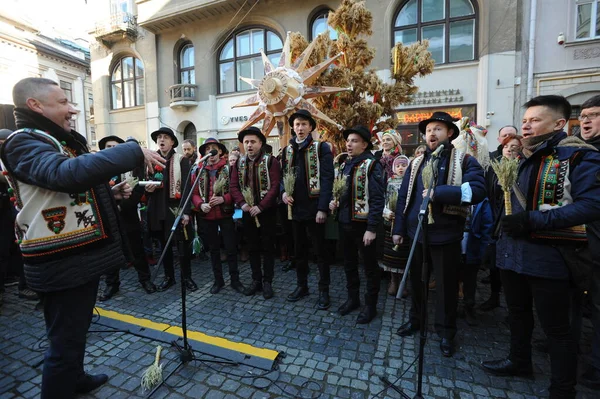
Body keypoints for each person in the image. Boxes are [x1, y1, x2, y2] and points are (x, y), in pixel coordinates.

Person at [0, 77, 164, 398]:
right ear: (35, 105)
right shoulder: (23, 140)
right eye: (62, 102)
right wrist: (133, 149)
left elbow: (62, 189)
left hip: (75, 259)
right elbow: (65, 175)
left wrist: (108, 193)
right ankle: (63, 383)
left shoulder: (52, 139)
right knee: (64, 343)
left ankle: (75, 378)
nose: (73, 109)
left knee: (74, 332)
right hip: (60, 262)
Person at [480, 95, 600, 399]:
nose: (526, 126)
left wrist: (532, 220)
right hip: (512, 254)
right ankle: (519, 361)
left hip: (552, 257)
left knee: (558, 330)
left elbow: (591, 205)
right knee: (518, 314)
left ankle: (563, 389)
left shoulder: (578, 156)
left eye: (534, 120)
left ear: (559, 123)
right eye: (524, 121)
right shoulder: (520, 157)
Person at [393, 111, 486, 357]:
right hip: (417, 234)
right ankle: (416, 320)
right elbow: (405, 197)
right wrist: (399, 229)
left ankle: (446, 332)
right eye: (429, 130)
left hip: (446, 237)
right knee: (417, 283)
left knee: (445, 288)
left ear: (450, 133)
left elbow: (477, 190)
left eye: (438, 129)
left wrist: (439, 193)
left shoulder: (465, 160)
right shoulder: (416, 162)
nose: (432, 133)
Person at [329, 125, 385, 324]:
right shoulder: (345, 164)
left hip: (364, 227)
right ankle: (353, 299)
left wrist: (371, 228)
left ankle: (371, 306)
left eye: (354, 141)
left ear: (364, 144)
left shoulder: (372, 165)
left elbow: (378, 200)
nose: (349, 144)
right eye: (348, 141)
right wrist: (335, 201)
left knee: (370, 267)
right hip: (345, 223)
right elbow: (344, 192)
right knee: (349, 264)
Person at [281, 109, 334, 309]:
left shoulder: (321, 148)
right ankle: (302, 286)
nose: (300, 128)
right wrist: (283, 194)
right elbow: (283, 177)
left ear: (311, 127)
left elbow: (328, 179)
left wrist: (322, 208)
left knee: (320, 253)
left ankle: (324, 291)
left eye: (304, 124)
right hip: (295, 209)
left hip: (315, 208)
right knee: (299, 251)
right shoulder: (288, 150)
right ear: (293, 128)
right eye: (297, 125)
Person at [97, 135, 157, 301]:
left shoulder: (133, 169)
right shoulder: (100, 171)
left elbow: (138, 192)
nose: (111, 149)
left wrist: (118, 206)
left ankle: (145, 280)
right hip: (108, 220)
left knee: (137, 250)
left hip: (128, 217)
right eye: (108, 147)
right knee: (111, 252)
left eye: (115, 147)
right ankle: (112, 285)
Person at [144, 127, 198, 292]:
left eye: (165, 137)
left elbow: (188, 187)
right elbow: (145, 181)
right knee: (163, 246)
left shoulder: (182, 160)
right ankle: (169, 277)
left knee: (182, 245)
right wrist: (148, 188)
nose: (161, 140)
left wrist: (186, 212)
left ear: (172, 141)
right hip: (157, 209)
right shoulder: (151, 159)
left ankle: (186, 277)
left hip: (175, 209)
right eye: (159, 137)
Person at [230, 126, 281, 299]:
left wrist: (261, 206)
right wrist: (242, 203)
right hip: (247, 212)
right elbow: (234, 186)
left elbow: (275, 186)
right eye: (246, 142)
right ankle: (256, 280)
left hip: (267, 212)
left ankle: (268, 282)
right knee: (252, 247)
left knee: (267, 247)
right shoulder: (239, 162)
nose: (249, 145)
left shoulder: (271, 161)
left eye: (253, 141)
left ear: (260, 143)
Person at [191, 137, 245, 294]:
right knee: (214, 250)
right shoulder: (199, 169)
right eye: (208, 149)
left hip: (225, 214)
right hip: (207, 217)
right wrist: (201, 204)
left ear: (220, 151)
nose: (211, 152)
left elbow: (236, 191)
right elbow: (194, 193)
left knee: (231, 248)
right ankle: (218, 280)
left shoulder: (229, 168)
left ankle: (235, 280)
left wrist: (224, 198)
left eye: (214, 148)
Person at [573, 94, 600, 390]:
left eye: (593, 115)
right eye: (583, 116)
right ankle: (577, 349)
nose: (586, 121)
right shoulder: (580, 152)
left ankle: (596, 365)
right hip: (579, 243)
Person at [480, 134, 523, 311]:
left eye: (514, 146)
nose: (510, 149)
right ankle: (494, 296)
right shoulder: (494, 168)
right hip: (496, 219)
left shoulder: (523, 168)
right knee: (495, 262)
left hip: (515, 220)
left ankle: (515, 305)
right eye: (506, 146)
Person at [382, 155, 410, 297]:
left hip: (405, 223)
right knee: (392, 254)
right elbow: (385, 200)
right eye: (398, 165)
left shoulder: (411, 182)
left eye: (404, 165)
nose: (401, 168)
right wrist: (387, 212)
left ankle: (403, 283)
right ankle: (393, 281)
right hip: (391, 223)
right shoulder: (390, 182)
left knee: (403, 255)